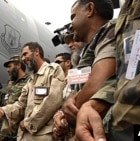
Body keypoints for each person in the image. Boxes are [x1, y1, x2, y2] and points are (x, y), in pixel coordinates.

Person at [74, 1, 140, 141]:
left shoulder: (111, 27)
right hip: (120, 131)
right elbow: (131, 71)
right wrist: (93, 103)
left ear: (90, 9)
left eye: (72, 17)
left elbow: (97, 82)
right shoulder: (129, 10)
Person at [53, 0, 116, 140]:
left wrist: (67, 110)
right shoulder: (89, 49)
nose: (71, 24)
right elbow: (76, 89)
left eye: (73, 17)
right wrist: (64, 109)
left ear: (90, 9)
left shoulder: (110, 30)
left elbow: (97, 85)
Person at [0, 42, 66, 141]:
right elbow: (21, 104)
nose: (22, 59)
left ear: (36, 51)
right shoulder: (31, 80)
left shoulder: (53, 70)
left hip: (43, 136)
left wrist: (28, 122)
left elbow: (53, 101)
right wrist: (2, 110)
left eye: (25, 54)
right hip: (25, 135)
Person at [0, 55, 30, 141]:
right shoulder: (11, 83)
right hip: (5, 131)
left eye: (9, 66)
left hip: (19, 132)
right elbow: (6, 103)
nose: (7, 70)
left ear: (18, 65)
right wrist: (1, 132)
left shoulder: (30, 81)